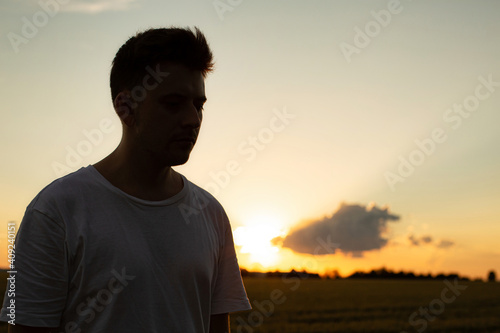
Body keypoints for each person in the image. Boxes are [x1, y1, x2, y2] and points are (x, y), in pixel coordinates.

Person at [0, 26, 251, 333]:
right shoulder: (54, 212)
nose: (192, 119)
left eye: (198, 105)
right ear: (125, 107)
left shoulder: (211, 214)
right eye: (173, 103)